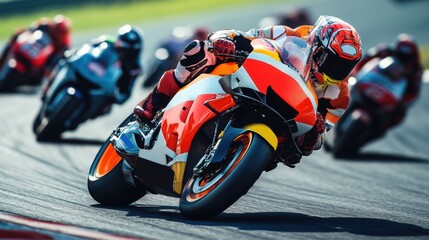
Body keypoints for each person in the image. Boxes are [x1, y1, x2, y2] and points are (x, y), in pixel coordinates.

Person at [134, 15, 362, 165]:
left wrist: (316, 133)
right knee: (199, 52)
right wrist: (225, 40)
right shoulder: (289, 34)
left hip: (288, 120)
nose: (336, 72)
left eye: (344, 67)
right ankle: (153, 102)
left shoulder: (340, 96)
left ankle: (237, 162)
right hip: (259, 80)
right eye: (331, 62)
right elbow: (247, 35)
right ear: (316, 45)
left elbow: (318, 139)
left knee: (292, 154)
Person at [350, 33, 423, 138]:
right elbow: (366, 58)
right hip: (373, 82)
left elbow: (414, 93)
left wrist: (400, 104)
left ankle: (375, 132)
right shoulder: (385, 50)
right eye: (400, 56)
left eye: (406, 58)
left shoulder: (416, 70)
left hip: (393, 95)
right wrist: (354, 72)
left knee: (399, 116)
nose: (402, 60)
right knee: (346, 87)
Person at [0, 15, 72, 79]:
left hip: (43, 61)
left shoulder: (64, 44)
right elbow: (28, 30)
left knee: (54, 64)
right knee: (15, 37)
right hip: (31, 47)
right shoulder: (44, 24)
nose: (57, 33)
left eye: (60, 32)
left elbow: (62, 59)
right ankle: (2, 61)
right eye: (56, 30)